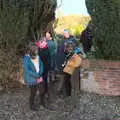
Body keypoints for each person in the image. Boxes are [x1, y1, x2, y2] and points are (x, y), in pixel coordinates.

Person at [22, 43, 45, 111]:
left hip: (39, 76)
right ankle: (31, 105)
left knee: (42, 90)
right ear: (31, 51)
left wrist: (40, 73)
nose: (37, 51)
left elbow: (41, 64)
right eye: (36, 50)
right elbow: (27, 70)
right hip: (32, 79)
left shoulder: (38, 56)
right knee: (33, 92)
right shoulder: (27, 58)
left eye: (37, 50)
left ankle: (42, 102)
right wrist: (37, 76)